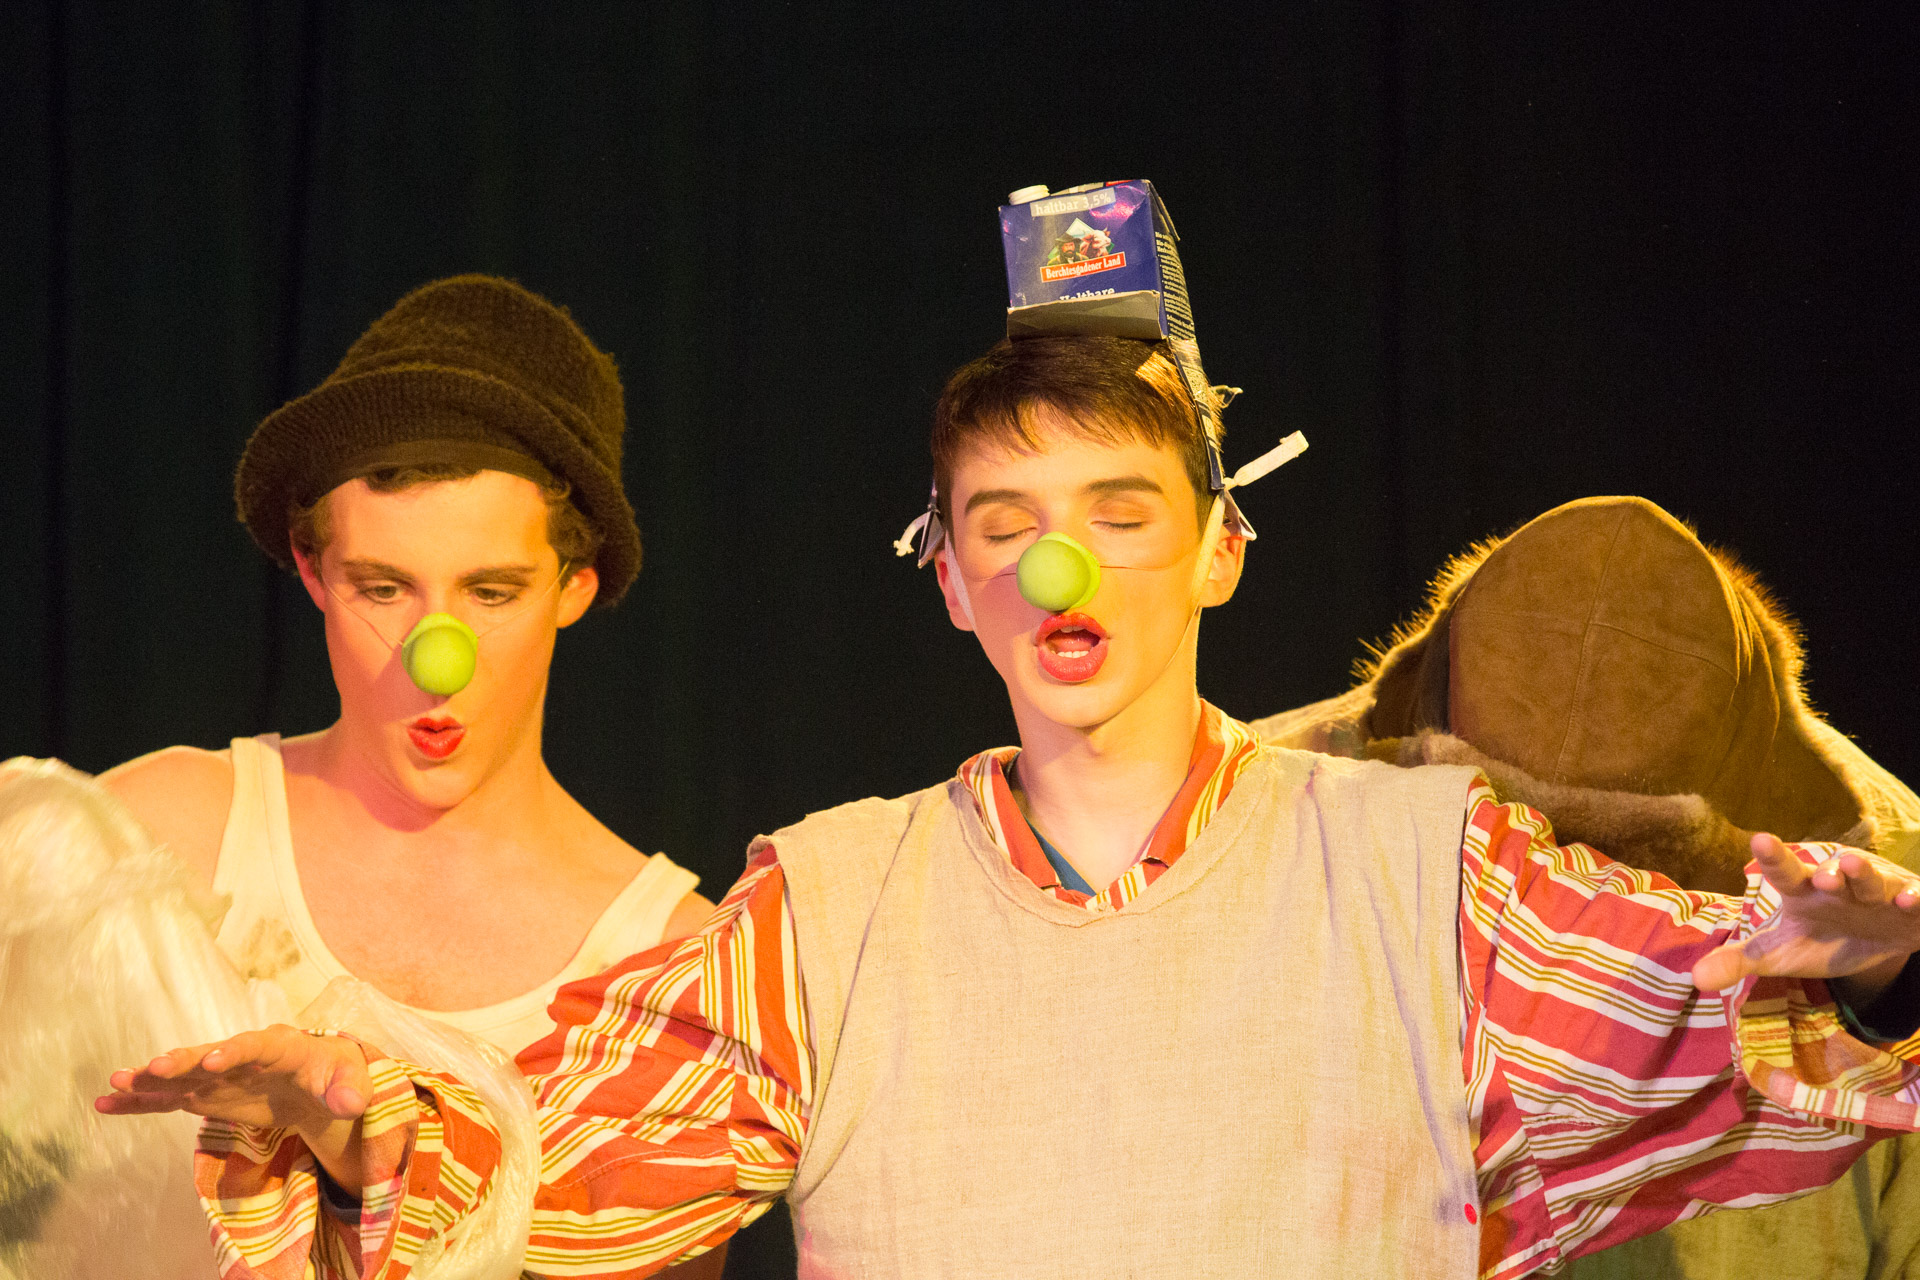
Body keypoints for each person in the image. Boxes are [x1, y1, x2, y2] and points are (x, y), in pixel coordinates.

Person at [104, 341, 1920, 1276]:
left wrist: (1871, 968)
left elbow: (1695, 1019)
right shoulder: (825, 914)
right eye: (1005, 524)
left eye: (1120, 512)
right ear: (953, 583)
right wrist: (359, 1133)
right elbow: (552, 1175)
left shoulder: (1432, 876)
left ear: (1218, 549)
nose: (1062, 565)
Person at [89, 275, 724, 1276]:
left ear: (575, 585)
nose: (439, 660)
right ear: (312, 571)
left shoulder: (670, 967)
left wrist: (361, 1144)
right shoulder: (151, 841)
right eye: (383, 587)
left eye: (492, 591)